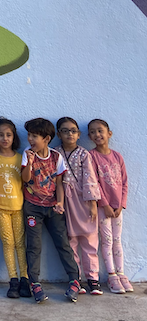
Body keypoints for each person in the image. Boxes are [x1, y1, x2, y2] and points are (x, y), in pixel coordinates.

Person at [21, 117, 80, 303]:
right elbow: (24, 178)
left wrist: (60, 202)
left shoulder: (56, 157)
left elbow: (59, 182)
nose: (30, 139)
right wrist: (30, 163)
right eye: (29, 135)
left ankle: (75, 279)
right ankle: (35, 283)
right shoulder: (27, 153)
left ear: (46, 139)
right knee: (34, 246)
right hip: (32, 206)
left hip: (53, 207)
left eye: (35, 136)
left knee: (62, 242)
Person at [56, 117, 101, 295]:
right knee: (71, 241)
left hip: (83, 200)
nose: (70, 134)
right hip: (64, 201)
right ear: (59, 134)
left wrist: (92, 204)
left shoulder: (83, 154)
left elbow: (90, 178)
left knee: (90, 240)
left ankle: (93, 279)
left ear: (79, 134)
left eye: (73, 130)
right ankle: (76, 279)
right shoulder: (56, 153)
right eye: (65, 131)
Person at [87, 118, 132, 294]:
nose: (97, 134)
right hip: (102, 208)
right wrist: (104, 204)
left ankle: (121, 273)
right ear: (89, 136)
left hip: (118, 207)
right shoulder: (92, 156)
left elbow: (125, 182)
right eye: (92, 132)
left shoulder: (117, 156)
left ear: (109, 134)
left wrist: (121, 204)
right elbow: (94, 182)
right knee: (106, 240)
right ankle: (112, 276)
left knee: (117, 240)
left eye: (100, 131)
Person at [0, 117, 30, 298]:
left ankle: (25, 279)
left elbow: (25, 183)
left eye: (8, 135)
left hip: (18, 207)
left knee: (20, 243)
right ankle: (13, 280)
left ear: (14, 137)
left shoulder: (20, 158)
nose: (5, 138)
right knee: (8, 243)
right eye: (1, 135)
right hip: (0, 208)